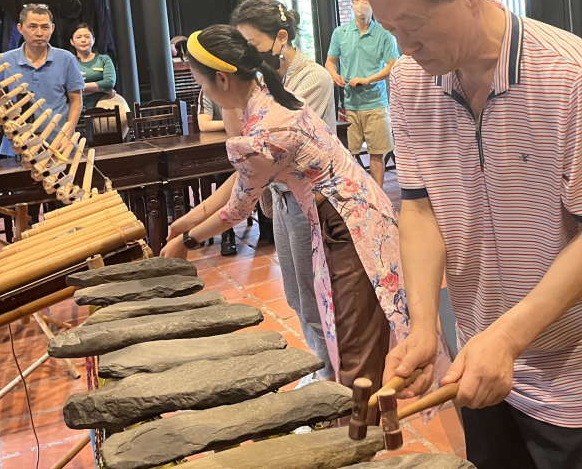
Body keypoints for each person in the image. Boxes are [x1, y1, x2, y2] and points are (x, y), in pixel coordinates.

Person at [359, 0, 582, 469]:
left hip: (571, 363)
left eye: (414, 24)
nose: (405, 45)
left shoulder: (573, 74)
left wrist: (509, 338)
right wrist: (421, 323)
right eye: (391, 30)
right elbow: (418, 208)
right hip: (476, 354)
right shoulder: (411, 82)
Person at [160, 25, 415, 389]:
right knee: (346, 324)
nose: (205, 92)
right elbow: (247, 179)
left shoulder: (265, 130)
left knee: (354, 335)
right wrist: (188, 220)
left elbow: (237, 210)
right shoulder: (269, 100)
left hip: (349, 224)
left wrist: (186, 241)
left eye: (203, 84)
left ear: (222, 79)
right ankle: (356, 408)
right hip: (347, 215)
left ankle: (360, 430)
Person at [232, 0, 336, 380]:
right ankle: (322, 366)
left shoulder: (313, 77)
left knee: (316, 297)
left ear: (280, 38)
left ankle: (333, 380)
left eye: (251, 45)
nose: (246, 55)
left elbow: (269, 138)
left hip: (313, 200)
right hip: (282, 199)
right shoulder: (263, 77)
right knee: (295, 294)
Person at [325, 0, 399, 187]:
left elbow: (393, 65)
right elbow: (330, 62)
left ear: (373, 3)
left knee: (377, 153)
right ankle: (356, 196)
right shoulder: (340, 33)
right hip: (349, 104)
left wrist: (369, 79)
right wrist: (334, 75)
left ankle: (379, 198)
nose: (360, 4)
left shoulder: (384, 32)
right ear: (351, 5)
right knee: (348, 154)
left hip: (376, 103)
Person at [0, 4, 83, 158]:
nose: (39, 33)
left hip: (59, 143)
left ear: (53, 28)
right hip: (17, 145)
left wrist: (67, 135)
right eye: (32, 27)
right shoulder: (4, 61)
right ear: (20, 28)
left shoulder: (66, 59)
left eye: (45, 27)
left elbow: (76, 101)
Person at [196, 89, 238, 257]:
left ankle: (267, 224)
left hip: (246, 142)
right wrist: (232, 123)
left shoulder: (249, 84)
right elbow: (204, 124)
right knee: (224, 172)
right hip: (221, 150)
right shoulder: (208, 90)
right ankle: (227, 232)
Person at [70, 23, 116, 111]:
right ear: (72, 42)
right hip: (76, 110)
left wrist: (80, 87)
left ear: (93, 40)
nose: (83, 40)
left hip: (104, 108)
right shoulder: (69, 62)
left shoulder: (104, 59)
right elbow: (67, 87)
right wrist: (102, 89)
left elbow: (109, 83)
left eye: (87, 36)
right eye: (78, 37)